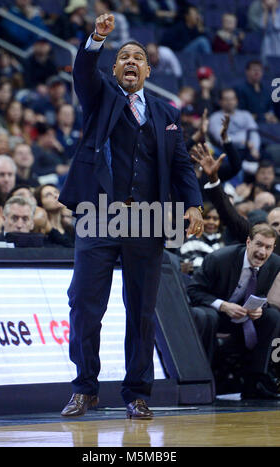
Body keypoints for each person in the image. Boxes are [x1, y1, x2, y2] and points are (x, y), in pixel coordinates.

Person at [59, 13, 204, 420]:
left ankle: (137, 393)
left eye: (137, 57)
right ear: (115, 65)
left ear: (148, 69)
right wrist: (96, 39)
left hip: (148, 220)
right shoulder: (100, 96)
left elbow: (181, 167)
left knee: (141, 312)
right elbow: (84, 71)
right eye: (123, 56)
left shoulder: (166, 113)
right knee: (85, 307)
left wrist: (193, 204)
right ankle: (85, 389)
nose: (130, 61)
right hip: (98, 216)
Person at [188, 222, 280, 399]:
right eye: (259, 244)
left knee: (272, 316)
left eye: (268, 247)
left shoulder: (274, 263)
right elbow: (193, 290)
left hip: (245, 316)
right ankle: (204, 380)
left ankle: (256, 381)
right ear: (248, 242)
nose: (262, 252)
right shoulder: (219, 259)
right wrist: (223, 305)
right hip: (217, 312)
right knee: (210, 316)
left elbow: (264, 295)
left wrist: (260, 308)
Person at [208, 88, 261, 159]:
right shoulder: (214, 118)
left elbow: (254, 132)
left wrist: (255, 148)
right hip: (227, 151)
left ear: (236, 100)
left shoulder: (246, 114)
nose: (230, 102)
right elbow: (220, 139)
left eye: (232, 99)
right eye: (226, 99)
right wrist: (243, 142)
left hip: (250, 149)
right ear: (220, 101)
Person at [179, 202, 224, 276]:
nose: (211, 222)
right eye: (207, 218)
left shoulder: (222, 242)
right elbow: (195, 269)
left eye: (215, 219)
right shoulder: (191, 240)